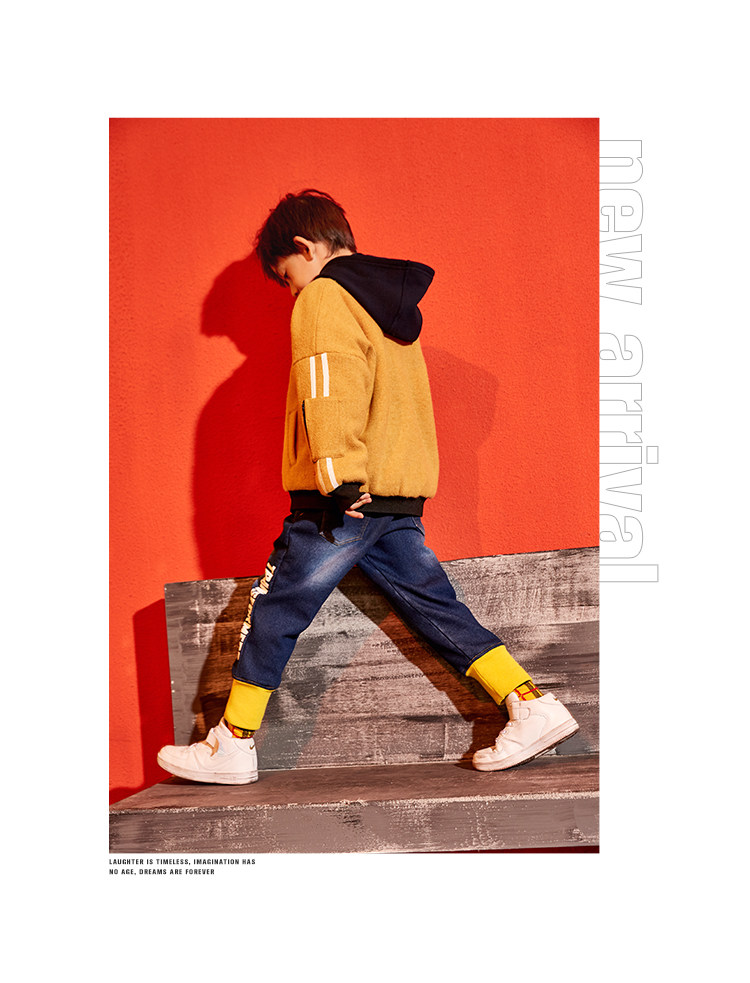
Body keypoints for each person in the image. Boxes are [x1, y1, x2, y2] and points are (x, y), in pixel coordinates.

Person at [157, 189, 579, 785]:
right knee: (434, 606)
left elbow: (330, 386)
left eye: (287, 276)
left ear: (304, 247)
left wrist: (335, 477)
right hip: (392, 495)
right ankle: (531, 704)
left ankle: (233, 741)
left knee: (276, 605)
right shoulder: (385, 306)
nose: (292, 292)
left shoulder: (325, 297)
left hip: (344, 499)